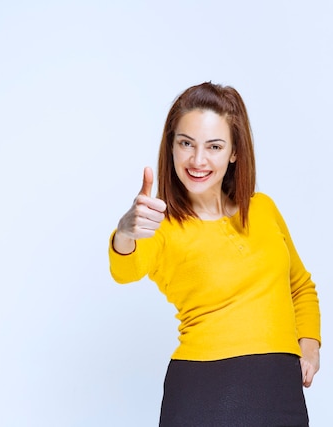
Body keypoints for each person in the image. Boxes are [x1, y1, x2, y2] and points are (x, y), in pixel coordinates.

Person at [108, 82, 321, 426]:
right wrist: (125, 231)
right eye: (186, 144)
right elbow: (125, 269)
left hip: (279, 389)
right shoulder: (161, 225)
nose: (198, 160)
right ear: (172, 147)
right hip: (203, 393)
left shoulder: (263, 209)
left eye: (214, 146)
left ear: (234, 152)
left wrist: (309, 347)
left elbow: (300, 286)